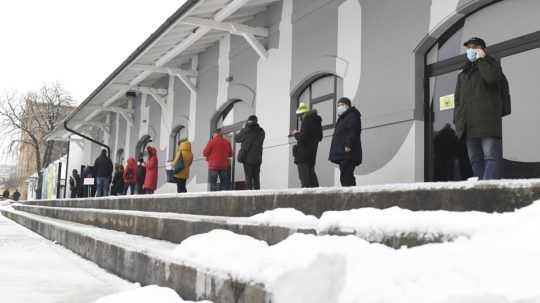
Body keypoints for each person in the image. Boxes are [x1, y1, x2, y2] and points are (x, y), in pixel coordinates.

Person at [454, 37, 508, 180]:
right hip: (468, 124)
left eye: (474, 47)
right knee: (475, 159)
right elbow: (458, 100)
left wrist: (482, 60)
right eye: (468, 48)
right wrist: (457, 120)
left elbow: (490, 78)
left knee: (491, 157)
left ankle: (487, 189)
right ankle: (481, 188)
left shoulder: (492, 64)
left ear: (482, 49)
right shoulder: (463, 72)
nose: (470, 51)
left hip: (486, 121)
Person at [329, 97, 363, 187]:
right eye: (338, 105)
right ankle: (349, 195)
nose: (339, 107)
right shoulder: (343, 118)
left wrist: (348, 144)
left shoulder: (352, 116)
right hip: (343, 152)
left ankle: (351, 195)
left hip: (348, 151)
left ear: (348, 106)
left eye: (342, 105)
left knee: (347, 176)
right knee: (344, 175)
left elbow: (353, 130)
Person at [292, 102, 323, 188]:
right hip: (312, 154)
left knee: (304, 180)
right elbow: (319, 137)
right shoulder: (316, 121)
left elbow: (302, 138)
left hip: (303, 155)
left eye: (299, 116)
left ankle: (305, 198)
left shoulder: (306, 120)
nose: (299, 118)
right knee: (311, 178)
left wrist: (296, 134)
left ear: (303, 114)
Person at [235, 115, 265, 190]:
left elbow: (237, 138)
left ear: (249, 121)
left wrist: (243, 128)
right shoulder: (261, 131)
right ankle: (257, 194)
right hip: (258, 158)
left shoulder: (246, 130)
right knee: (256, 177)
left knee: (248, 177)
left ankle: (249, 193)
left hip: (247, 158)